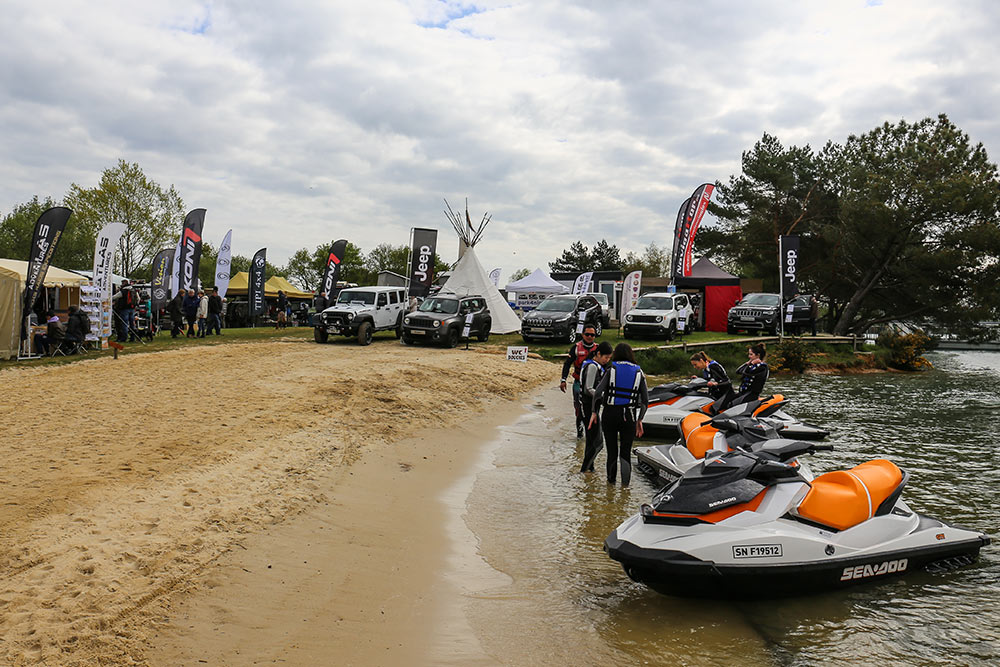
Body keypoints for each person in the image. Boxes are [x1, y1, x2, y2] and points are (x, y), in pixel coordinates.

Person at [590, 343, 648, 486]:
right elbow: (645, 400)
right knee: (625, 453)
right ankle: (625, 489)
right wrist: (640, 419)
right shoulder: (639, 372)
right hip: (629, 415)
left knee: (612, 452)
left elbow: (597, 393)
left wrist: (594, 412)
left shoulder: (612, 369)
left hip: (610, 413)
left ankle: (610, 486)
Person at [560, 324, 600, 438]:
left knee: (595, 408)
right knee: (579, 409)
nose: (589, 337)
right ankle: (580, 435)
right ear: (582, 334)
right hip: (579, 383)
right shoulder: (576, 348)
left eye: (592, 335)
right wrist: (563, 380)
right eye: (587, 334)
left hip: (594, 384)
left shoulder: (598, 349)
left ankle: (592, 434)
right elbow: (567, 364)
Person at [580, 341, 613, 473]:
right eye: (606, 357)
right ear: (598, 354)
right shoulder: (593, 366)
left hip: (591, 407)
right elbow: (588, 389)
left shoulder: (594, 365)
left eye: (609, 358)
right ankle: (584, 470)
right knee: (597, 443)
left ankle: (589, 471)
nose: (607, 360)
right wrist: (603, 396)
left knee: (591, 441)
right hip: (588, 407)